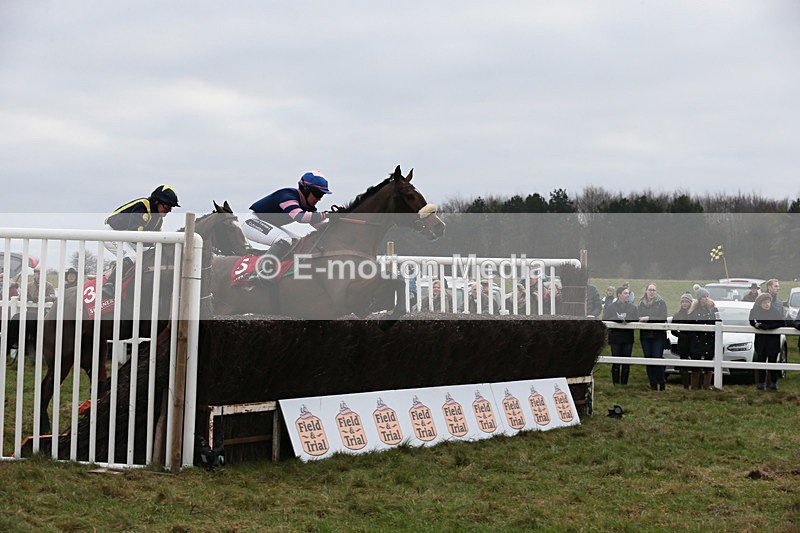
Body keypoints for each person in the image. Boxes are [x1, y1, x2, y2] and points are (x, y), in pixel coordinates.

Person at [103, 185, 180, 296]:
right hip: (112, 234)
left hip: (127, 237)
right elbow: (135, 236)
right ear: (157, 201)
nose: (169, 210)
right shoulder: (142, 206)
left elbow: (156, 239)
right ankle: (109, 285)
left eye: (171, 208)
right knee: (132, 257)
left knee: (150, 254)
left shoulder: (158, 219)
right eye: (167, 206)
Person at [243, 171, 332, 262]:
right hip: (251, 221)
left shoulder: (308, 206)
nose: (319, 199)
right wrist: (326, 215)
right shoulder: (287, 196)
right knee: (285, 240)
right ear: (306, 189)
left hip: (267, 224)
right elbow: (300, 217)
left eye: (322, 195)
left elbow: (322, 227)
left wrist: (336, 219)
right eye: (318, 194)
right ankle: (260, 271)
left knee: (299, 243)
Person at [602, 286, 638, 385]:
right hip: (615, 337)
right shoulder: (611, 307)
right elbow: (605, 319)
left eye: (628, 293)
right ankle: (616, 383)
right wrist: (616, 319)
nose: (627, 295)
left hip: (628, 338)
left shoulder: (633, 307)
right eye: (625, 293)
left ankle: (624, 383)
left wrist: (627, 318)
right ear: (619, 295)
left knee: (626, 362)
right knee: (616, 361)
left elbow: (636, 319)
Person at [749, 293, 784, 390]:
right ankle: (761, 383)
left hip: (773, 341)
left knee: (772, 362)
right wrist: (755, 325)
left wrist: (767, 327)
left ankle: (773, 383)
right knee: (761, 361)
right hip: (761, 341)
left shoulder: (776, 311)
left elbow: (782, 323)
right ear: (760, 304)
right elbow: (751, 320)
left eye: (768, 302)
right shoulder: (756, 310)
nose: (767, 304)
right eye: (765, 303)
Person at [638, 283, 669, 391]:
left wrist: (649, 318)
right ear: (646, 291)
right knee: (648, 359)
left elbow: (663, 317)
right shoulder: (641, 303)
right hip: (645, 335)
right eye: (650, 290)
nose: (652, 292)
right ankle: (652, 383)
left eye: (654, 290)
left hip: (658, 335)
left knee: (657, 358)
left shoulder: (661, 303)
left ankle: (661, 381)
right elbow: (638, 316)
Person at [688, 287, 719, 390]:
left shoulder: (713, 310)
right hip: (697, 341)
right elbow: (691, 325)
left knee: (708, 364)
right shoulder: (694, 311)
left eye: (707, 296)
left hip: (709, 341)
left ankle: (706, 386)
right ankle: (694, 386)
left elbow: (718, 322)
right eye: (703, 297)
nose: (705, 299)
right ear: (699, 298)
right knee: (695, 364)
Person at [670, 292, 694, 389]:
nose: (684, 304)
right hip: (683, 342)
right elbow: (673, 330)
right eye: (683, 302)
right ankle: (685, 385)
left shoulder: (694, 314)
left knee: (694, 363)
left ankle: (695, 385)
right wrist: (683, 336)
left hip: (693, 342)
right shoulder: (678, 315)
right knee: (683, 364)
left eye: (687, 302)